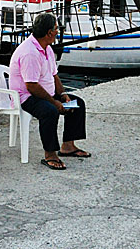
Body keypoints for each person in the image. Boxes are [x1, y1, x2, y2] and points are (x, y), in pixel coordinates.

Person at [8, 13, 89, 170]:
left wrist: (63, 95)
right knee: (50, 111)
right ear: (49, 32)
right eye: (57, 28)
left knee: (77, 103)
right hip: (27, 97)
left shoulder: (47, 48)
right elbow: (31, 86)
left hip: (46, 93)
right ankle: (50, 154)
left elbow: (54, 75)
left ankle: (68, 146)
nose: (58, 31)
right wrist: (54, 102)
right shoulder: (30, 52)